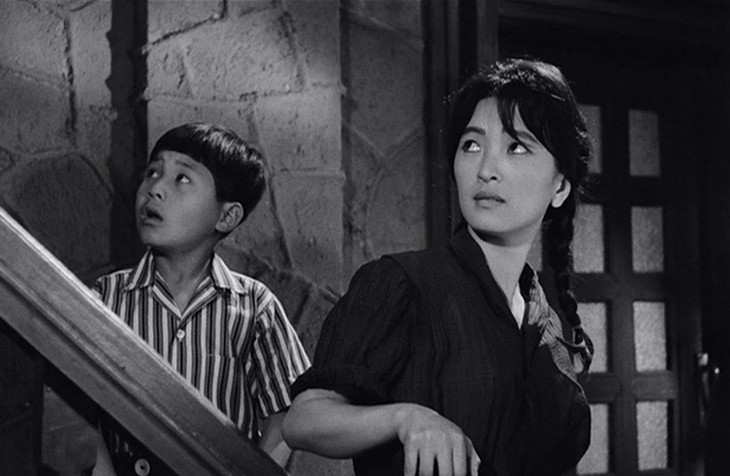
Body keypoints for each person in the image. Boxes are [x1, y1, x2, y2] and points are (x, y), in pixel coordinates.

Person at [282, 58, 594, 476]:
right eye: (472, 145)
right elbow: (303, 420)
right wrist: (406, 418)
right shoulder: (402, 283)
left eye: (516, 147)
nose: (486, 170)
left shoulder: (546, 322)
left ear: (560, 186)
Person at [91, 123, 310, 475]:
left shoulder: (255, 307)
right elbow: (84, 405)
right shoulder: (107, 298)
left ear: (226, 216)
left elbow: (286, 412)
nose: (155, 188)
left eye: (182, 178)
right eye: (153, 172)